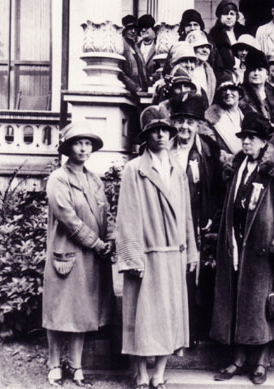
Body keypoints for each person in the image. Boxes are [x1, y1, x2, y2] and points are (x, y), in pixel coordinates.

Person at [210, 112, 274, 385]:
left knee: (259, 304)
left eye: (252, 138)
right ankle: (237, 358)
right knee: (236, 299)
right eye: (244, 138)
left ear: (263, 142)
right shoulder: (238, 165)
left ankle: (260, 362)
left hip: (262, 245)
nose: (246, 142)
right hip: (235, 242)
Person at [116, 105, 198, 389]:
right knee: (141, 316)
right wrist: (132, 257)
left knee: (169, 315)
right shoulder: (134, 170)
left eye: (165, 129)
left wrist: (192, 249)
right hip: (147, 255)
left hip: (173, 253)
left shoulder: (177, 168)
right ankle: (140, 373)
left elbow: (187, 212)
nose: (161, 135)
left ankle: (159, 374)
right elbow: (126, 216)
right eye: (155, 131)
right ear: (146, 136)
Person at [43, 123, 114, 387]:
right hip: (67, 255)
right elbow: (68, 219)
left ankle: (75, 365)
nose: (83, 148)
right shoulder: (58, 179)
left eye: (87, 143)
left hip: (92, 258)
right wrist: (95, 243)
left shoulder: (94, 179)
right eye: (77, 143)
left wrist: (111, 240)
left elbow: (105, 215)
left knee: (82, 311)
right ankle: (53, 365)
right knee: (59, 312)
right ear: (67, 147)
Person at [167, 93, 225, 347]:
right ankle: (171, 330)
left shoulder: (208, 150)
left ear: (199, 125)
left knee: (197, 275)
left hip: (200, 221)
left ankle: (193, 331)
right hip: (169, 220)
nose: (185, 127)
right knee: (171, 274)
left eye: (190, 122)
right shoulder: (162, 147)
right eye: (180, 121)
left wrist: (210, 216)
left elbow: (217, 185)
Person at [205, 72, 245, 157]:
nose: (228, 92)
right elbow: (212, 148)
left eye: (232, 88)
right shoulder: (211, 119)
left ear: (239, 93)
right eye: (223, 89)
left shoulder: (246, 115)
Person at [239, 49, 274, 130]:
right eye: (252, 70)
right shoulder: (241, 93)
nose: (256, 73)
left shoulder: (273, 92)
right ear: (247, 73)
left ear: (267, 74)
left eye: (260, 70)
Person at [209, 0, 247, 75]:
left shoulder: (243, 34)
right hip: (224, 75)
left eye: (232, 14)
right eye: (225, 14)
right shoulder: (214, 36)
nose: (229, 17)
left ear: (236, 17)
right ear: (220, 17)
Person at [185, 31, 217, 104]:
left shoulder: (209, 71)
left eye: (207, 47)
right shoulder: (183, 70)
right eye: (201, 47)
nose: (205, 50)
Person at [120, 15, 148, 94]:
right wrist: (135, 88)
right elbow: (120, 73)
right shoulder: (121, 46)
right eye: (130, 28)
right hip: (129, 93)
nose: (133, 31)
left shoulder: (136, 48)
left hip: (140, 93)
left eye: (135, 29)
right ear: (124, 30)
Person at [137, 14, 158, 87]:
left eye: (146, 27)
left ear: (153, 29)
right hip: (137, 89)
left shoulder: (160, 48)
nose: (143, 30)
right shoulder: (135, 48)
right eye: (141, 28)